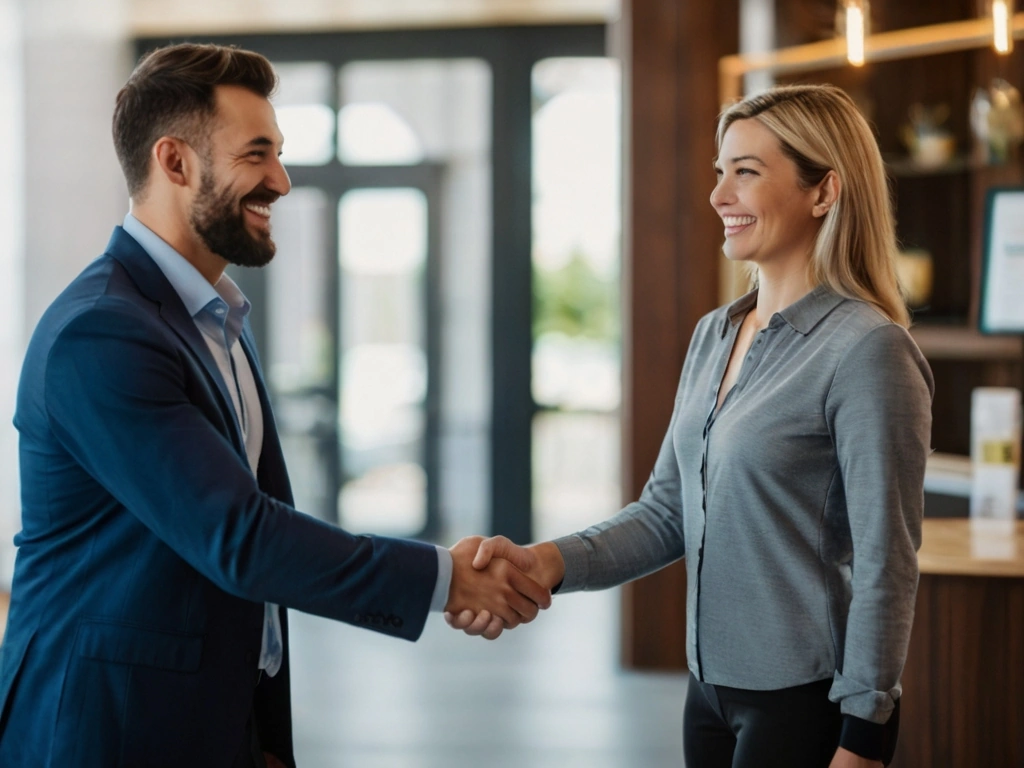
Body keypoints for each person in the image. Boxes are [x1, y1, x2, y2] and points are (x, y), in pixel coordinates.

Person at [0, 43, 549, 768]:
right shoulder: (103, 332)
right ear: (175, 162)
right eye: (257, 154)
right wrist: (447, 580)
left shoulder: (216, 319)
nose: (283, 182)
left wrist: (257, 728)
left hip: (211, 717)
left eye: (281, 155)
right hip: (107, 728)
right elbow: (244, 539)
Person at [449, 84, 933, 768]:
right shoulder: (717, 333)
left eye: (747, 171)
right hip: (706, 692)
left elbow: (889, 563)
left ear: (823, 191)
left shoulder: (867, 350)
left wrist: (864, 737)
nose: (718, 195)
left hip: (805, 700)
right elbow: (668, 512)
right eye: (719, 171)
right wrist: (542, 563)